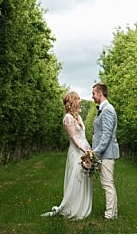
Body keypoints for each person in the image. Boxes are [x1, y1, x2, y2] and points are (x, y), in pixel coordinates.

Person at [42, 90, 92, 219]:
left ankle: (82, 207)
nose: (80, 100)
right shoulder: (68, 118)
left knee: (83, 177)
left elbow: (83, 136)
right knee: (76, 178)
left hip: (85, 148)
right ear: (73, 101)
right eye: (78, 98)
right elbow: (73, 137)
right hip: (77, 151)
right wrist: (83, 150)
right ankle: (72, 208)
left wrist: (89, 149)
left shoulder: (78, 117)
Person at [92, 82, 121, 220]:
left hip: (107, 153)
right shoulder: (103, 109)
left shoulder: (108, 109)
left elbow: (106, 135)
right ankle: (112, 213)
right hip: (104, 153)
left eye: (93, 93)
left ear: (100, 93)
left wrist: (95, 153)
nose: (92, 97)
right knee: (106, 183)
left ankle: (110, 215)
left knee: (107, 183)